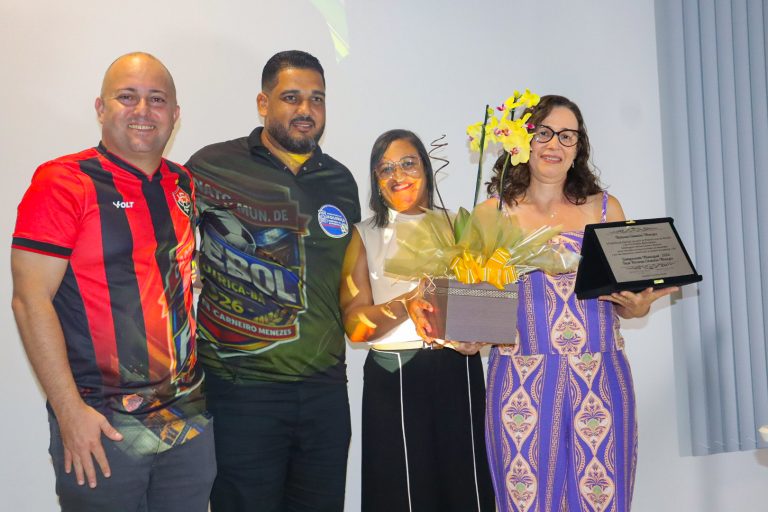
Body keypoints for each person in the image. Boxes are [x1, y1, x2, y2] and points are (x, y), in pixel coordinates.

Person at [11, 52, 215, 512]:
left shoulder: (182, 183)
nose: (143, 110)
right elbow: (29, 300)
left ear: (175, 114)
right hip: (101, 420)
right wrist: (69, 411)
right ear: (101, 109)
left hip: (186, 417)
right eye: (127, 97)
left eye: (156, 99)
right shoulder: (62, 182)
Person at [482, 95, 677, 512]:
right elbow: (480, 310)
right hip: (520, 381)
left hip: (600, 377)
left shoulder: (606, 209)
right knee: (527, 503)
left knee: (602, 499)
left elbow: (627, 302)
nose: (555, 143)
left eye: (567, 135)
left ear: (578, 148)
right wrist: (464, 329)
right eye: (544, 132)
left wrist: (637, 306)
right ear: (522, 140)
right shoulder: (491, 213)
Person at [186, 50, 360, 512]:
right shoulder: (211, 166)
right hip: (240, 394)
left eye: (317, 98)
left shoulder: (341, 182)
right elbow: (163, 247)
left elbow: (356, 279)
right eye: (291, 97)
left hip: (325, 393)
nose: (306, 109)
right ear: (263, 103)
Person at [340, 129, 496, 512]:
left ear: (426, 167)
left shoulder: (459, 224)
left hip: (458, 372)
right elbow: (354, 325)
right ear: (376, 181)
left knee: (466, 489)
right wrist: (406, 303)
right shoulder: (364, 234)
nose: (398, 175)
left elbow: (487, 303)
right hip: (394, 375)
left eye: (408, 163)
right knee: (402, 494)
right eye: (385, 168)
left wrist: (476, 337)